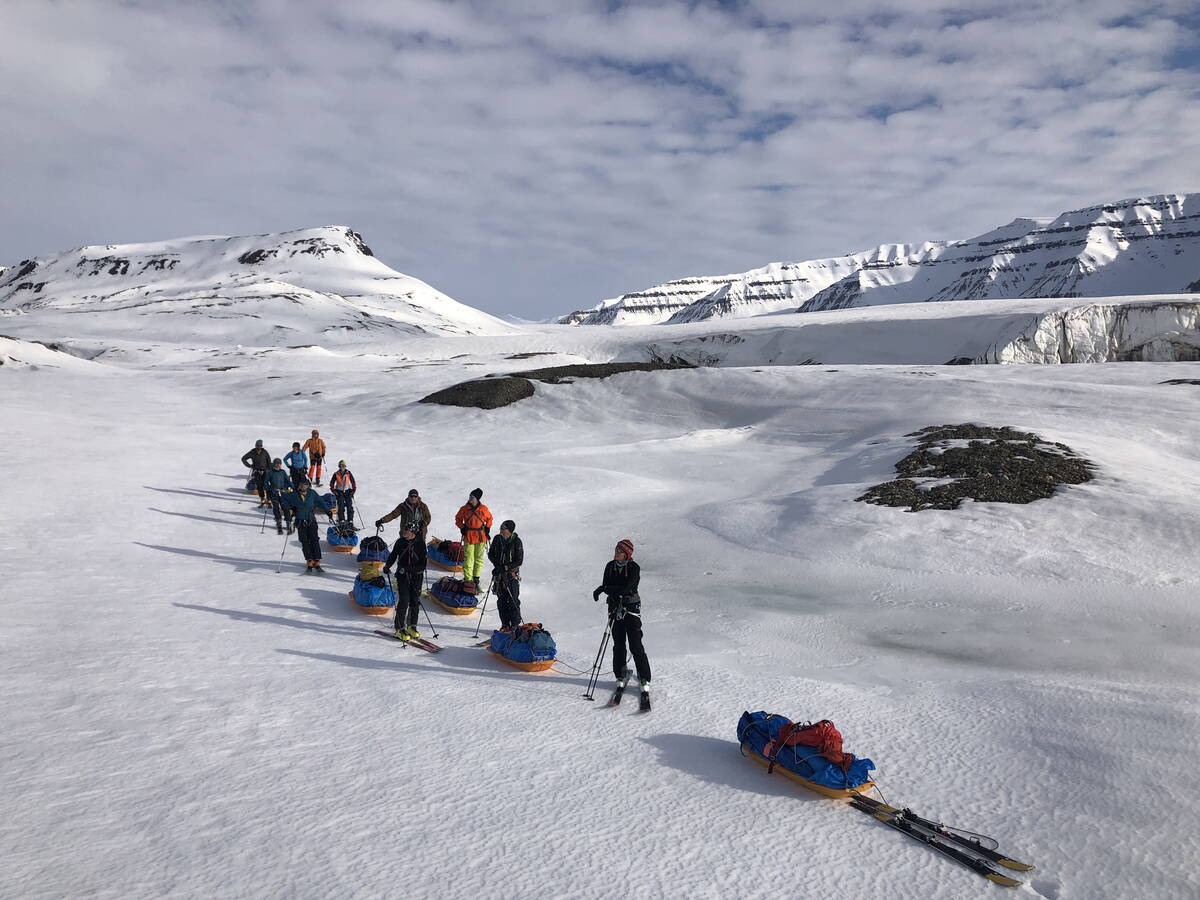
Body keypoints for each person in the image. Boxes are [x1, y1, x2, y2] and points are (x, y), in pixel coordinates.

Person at [593, 539, 651, 692]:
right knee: (618, 643)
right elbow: (606, 584)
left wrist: (609, 589)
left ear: (627, 554)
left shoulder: (633, 568)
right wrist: (606, 589)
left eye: (620, 551)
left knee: (635, 643)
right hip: (614, 608)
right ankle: (620, 674)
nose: (616, 553)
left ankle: (644, 677)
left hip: (631, 608)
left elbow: (628, 587)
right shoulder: (609, 566)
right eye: (616, 550)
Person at [384, 522, 427, 639]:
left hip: (416, 577)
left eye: (407, 530)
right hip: (402, 577)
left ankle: (412, 626)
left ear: (413, 532)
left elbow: (423, 565)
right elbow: (393, 555)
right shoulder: (400, 542)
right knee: (404, 600)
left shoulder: (421, 544)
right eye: (404, 529)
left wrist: (407, 569)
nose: (404, 532)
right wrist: (387, 566)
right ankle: (399, 628)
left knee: (414, 601)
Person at [282, 479, 334, 572]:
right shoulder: (294, 494)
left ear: (308, 486)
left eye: (304, 485)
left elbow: (321, 502)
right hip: (300, 520)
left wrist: (327, 511)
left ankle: (317, 560)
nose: (302, 487)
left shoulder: (312, 493)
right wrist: (290, 507)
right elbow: (283, 498)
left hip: (311, 519)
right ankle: (309, 560)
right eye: (301, 485)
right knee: (304, 541)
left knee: (314, 539)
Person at [487, 519, 523, 630]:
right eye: (501, 528)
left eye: (504, 529)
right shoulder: (497, 539)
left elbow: (519, 560)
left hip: (511, 575)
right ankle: (505, 625)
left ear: (510, 531)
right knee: (501, 601)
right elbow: (491, 554)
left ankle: (515, 625)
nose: (501, 531)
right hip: (499, 576)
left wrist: (506, 567)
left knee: (513, 601)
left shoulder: (517, 541)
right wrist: (497, 565)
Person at [454, 488, 492, 586]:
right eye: (470, 496)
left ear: (477, 499)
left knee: (478, 558)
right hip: (469, 536)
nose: (470, 498)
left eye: (473, 497)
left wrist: (487, 528)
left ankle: (476, 578)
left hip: (481, 536)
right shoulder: (464, 509)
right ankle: (468, 579)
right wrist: (462, 527)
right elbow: (458, 519)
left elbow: (490, 519)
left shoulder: (483, 509)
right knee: (468, 558)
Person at [264, 458, 295, 535]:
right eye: (277, 464)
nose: (278, 465)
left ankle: (288, 524)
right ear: (274, 464)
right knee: (276, 508)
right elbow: (265, 482)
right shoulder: (270, 472)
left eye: (279, 464)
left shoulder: (282, 472)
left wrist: (294, 487)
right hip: (274, 493)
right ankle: (279, 524)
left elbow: (288, 481)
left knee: (285, 508)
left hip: (283, 492)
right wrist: (269, 489)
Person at [240, 439, 272, 505]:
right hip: (256, 471)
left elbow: (269, 461)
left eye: (260, 446)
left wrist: (269, 470)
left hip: (265, 471)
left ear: (262, 446)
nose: (259, 447)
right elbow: (243, 458)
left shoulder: (265, 452)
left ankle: (268, 498)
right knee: (259, 485)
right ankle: (262, 498)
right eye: (257, 446)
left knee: (266, 485)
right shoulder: (252, 452)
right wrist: (249, 466)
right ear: (255, 446)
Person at [330, 460, 357, 524]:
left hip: (347, 491)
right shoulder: (336, 474)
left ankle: (350, 520)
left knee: (349, 506)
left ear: (345, 466)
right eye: (341, 466)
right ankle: (341, 519)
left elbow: (353, 481)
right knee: (341, 506)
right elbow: (332, 483)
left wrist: (353, 490)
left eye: (343, 466)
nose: (342, 467)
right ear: (339, 466)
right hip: (339, 492)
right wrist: (333, 490)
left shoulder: (348, 473)